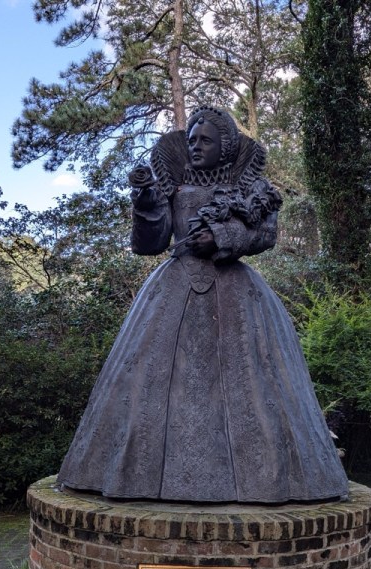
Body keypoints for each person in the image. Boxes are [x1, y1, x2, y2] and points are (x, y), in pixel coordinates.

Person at [57, 107, 348, 503]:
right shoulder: (171, 186)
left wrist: (222, 237)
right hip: (173, 288)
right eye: (191, 139)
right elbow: (150, 243)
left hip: (236, 295)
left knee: (250, 382)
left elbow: (265, 234)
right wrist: (145, 202)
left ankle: (262, 481)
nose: (196, 146)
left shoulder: (250, 189)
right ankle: (137, 478)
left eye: (205, 140)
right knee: (148, 382)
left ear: (225, 147)